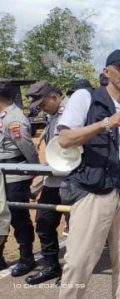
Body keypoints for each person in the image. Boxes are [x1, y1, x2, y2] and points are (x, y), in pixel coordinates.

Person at [57, 49, 120, 299]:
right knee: (79, 261)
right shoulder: (86, 98)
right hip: (94, 189)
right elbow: (64, 138)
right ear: (107, 71)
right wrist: (105, 123)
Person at [24, 81, 67, 284]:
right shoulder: (51, 117)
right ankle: (51, 266)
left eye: (42, 103)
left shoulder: (72, 114)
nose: (41, 108)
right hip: (52, 180)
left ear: (53, 96)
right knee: (44, 222)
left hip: (73, 181)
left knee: (76, 227)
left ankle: (73, 271)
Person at [0, 78, 39, 277]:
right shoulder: (3, 115)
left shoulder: (14, 118)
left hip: (14, 175)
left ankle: (26, 257)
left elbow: (28, 149)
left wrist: (33, 170)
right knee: (1, 215)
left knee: (18, 216)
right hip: (1, 174)